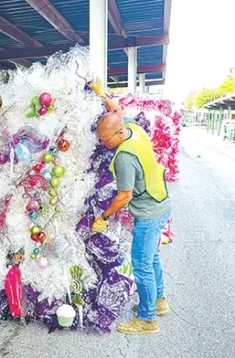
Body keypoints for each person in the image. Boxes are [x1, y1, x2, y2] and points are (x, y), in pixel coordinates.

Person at [91, 91, 172, 335]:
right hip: (162, 203)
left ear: (117, 134)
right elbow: (117, 111)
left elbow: (124, 197)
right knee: (153, 257)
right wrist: (101, 94)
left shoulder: (125, 157)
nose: (104, 145)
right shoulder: (132, 129)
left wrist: (103, 218)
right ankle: (158, 301)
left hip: (148, 213)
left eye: (106, 141)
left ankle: (147, 320)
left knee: (141, 265)